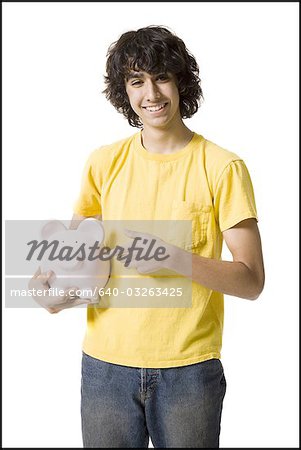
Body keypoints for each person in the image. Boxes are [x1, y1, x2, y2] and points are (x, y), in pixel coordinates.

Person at [30, 25, 265, 448]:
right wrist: (49, 292)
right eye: (137, 81)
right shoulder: (103, 163)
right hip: (104, 368)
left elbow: (251, 281)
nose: (151, 93)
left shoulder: (222, 167)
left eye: (162, 76)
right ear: (124, 91)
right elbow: (68, 258)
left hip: (189, 371)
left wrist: (172, 258)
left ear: (181, 82)